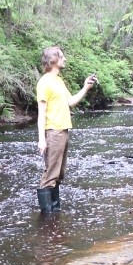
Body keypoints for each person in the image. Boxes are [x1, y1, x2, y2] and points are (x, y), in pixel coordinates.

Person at [36, 46, 96, 213]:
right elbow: (41, 114)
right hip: (53, 132)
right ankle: (47, 216)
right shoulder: (44, 82)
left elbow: (70, 102)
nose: (65, 59)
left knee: (59, 173)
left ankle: (54, 211)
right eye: (62, 57)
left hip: (63, 131)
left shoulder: (59, 81)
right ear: (53, 60)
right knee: (50, 174)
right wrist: (42, 139)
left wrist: (85, 87)